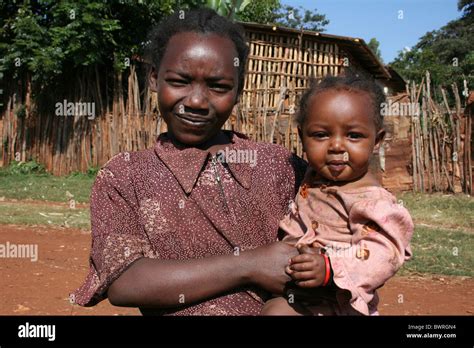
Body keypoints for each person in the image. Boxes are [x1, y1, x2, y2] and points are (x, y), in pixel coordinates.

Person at [71, 8, 308, 315]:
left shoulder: (280, 166)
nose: (196, 101)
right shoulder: (125, 175)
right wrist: (249, 265)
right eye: (180, 81)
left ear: (239, 90)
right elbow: (124, 281)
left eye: (219, 86)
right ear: (155, 78)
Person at [261, 74, 414, 315]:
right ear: (302, 138)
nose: (336, 146)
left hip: (340, 302)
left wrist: (331, 268)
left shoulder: (374, 203)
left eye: (353, 135)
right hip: (296, 294)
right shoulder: (312, 174)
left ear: (377, 141)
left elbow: (385, 253)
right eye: (321, 135)